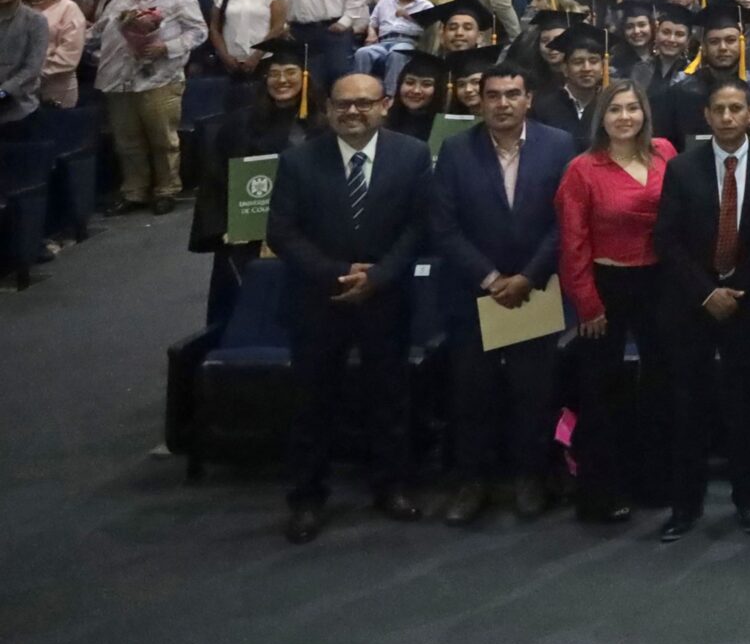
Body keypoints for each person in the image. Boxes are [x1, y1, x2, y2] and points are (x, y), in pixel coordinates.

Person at [265, 69, 433, 544]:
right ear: (328, 110)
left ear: (385, 105)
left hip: (386, 296)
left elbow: (420, 226)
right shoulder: (298, 160)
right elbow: (282, 232)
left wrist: (377, 277)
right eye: (343, 104)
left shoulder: (413, 154)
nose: (353, 111)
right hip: (318, 299)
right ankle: (306, 498)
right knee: (312, 404)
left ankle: (391, 486)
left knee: (389, 398)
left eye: (364, 103)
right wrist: (338, 274)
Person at [429, 63, 577, 525]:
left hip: (536, 291)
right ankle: (472, 482)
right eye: (493, 95)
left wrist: (528, 277)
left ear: (528, 99)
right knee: (472, 394)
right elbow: (443, 226)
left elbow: (566, 221)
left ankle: (529, 477)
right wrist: (491, 278)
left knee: (534, 393)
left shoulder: (559, 145)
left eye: (513, 94)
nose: (503, 104)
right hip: (476, 295)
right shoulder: (455, 149)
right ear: (480, 101)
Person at [653, 76, 750, 542]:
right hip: (691, 304)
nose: (726, 117)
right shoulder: (682, 168)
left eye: (735, 109)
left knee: (746, 406)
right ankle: (685, 506)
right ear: (705, 115)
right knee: (688, 407)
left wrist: (736, 288)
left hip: (747, 302)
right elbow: (667, 239)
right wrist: (707, 292)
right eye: (718, 109)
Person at [555, 80, 675, 524]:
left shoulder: (665, 153)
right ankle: (601, 493)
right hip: (606, 284)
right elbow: (573, 243)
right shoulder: (583, 169)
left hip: (659, 282)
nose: (625, 117)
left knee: (660, 384)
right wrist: (587, 303)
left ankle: (654, 481)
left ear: (645, 113)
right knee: (600, 392)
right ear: (600, 118)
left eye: (632, 108)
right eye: (615, 110)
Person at [188, 40, 317, 326]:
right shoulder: (240, 123)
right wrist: (225, 227)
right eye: (274, 74)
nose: (281, 80)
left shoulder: (321, 125)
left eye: (290, 72)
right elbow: (217, 178)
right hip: (250, 236)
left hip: (306, 234)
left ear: (305, 76)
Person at [89, 0, 206, 215]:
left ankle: (166, 190)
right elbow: (99, 32)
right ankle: (134, 192)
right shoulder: (120, 0)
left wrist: (167, 47)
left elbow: (199, 32)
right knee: (126, 142)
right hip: (119, 80)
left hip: (161, 79)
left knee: (163, 140)